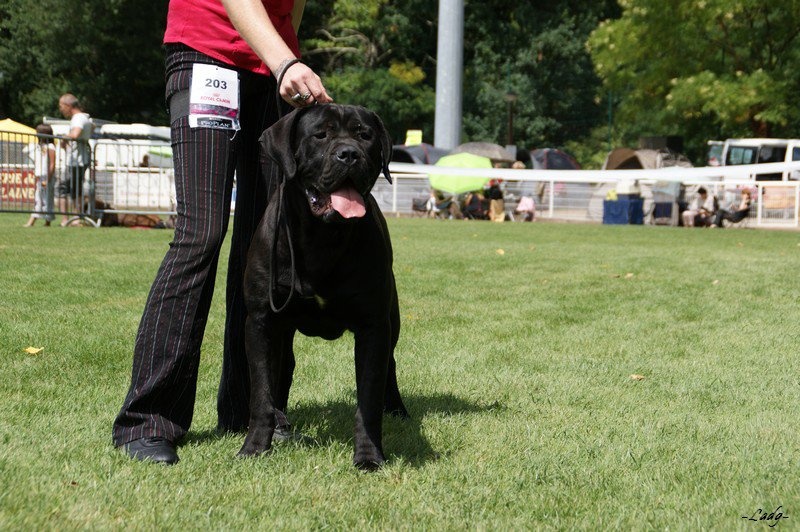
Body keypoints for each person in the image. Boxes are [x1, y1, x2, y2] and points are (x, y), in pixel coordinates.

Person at [112, 0, 332, 465]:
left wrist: (282, 57)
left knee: (267, 246)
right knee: (202, 232)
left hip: (273, 74)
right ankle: (147, 421)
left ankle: (255, 413)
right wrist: (286, 60)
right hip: (206, 54)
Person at [57, 93, 93, 227]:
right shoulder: (85, 117)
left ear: (68, 105)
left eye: (61, 106)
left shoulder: (77, 118)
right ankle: (76, 218)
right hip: (80, 158)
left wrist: (64, 138)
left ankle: (68, 219)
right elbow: (92, 127)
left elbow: (76, 133)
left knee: (63, 189)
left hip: (76, 160)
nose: (61, 109)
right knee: (75, 190)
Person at [24, 124, 57, 227]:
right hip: (40, 175)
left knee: (45, 199)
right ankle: (47, 221)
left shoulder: (50, 147)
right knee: (40, 198)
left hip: (46, 176)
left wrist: (48, 178)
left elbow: (52, 164)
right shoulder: (39, 147)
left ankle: (33, 221)